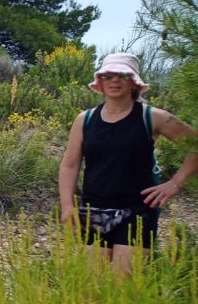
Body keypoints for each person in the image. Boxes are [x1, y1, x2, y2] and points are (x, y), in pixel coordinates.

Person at [59, 53, 197, 274]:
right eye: (108, 75)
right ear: (100, 82)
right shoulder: (84, 120)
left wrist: (175, 183)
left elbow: (195, 145)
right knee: (90, 291)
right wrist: (67, 206)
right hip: (93, 209)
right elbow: (69, 165)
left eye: (123, 75)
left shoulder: (152, 117)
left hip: (138, 211)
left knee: (122, 288)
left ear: (134, 82)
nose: (115, 80)